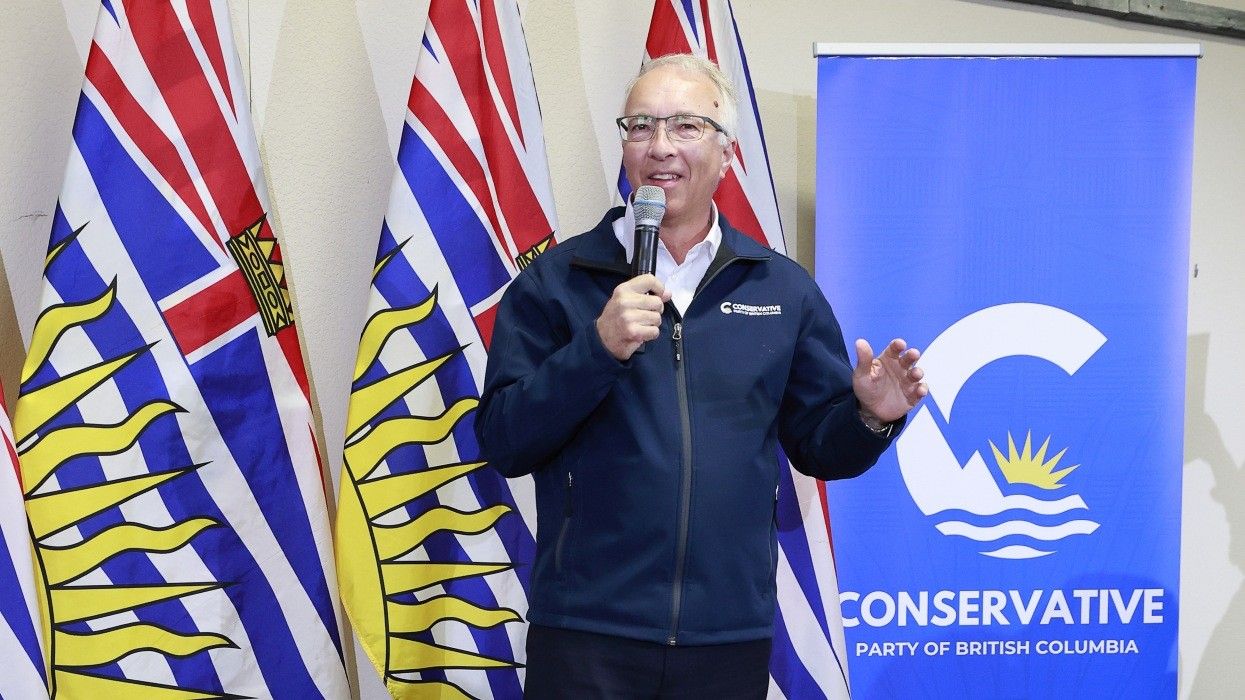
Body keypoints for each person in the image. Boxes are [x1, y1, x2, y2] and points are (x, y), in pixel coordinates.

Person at [475, 53, 927, 699]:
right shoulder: (557, 281)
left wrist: (870, 416)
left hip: (726, 636)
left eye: (685, 126)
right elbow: (503, 440)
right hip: (587, 632)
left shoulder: (780, 288)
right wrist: (597, 349)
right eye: (640, 126)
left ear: (726, 153)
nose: (659, 146)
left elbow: (820, 450)